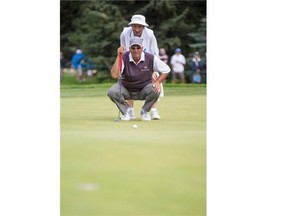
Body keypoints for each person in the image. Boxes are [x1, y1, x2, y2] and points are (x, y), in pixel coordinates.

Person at [107, 37, 170, 121]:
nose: (136, 50)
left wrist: (158, 82)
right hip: (127, 89)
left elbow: (166, 69)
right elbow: (115, 75)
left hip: (143, 90)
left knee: (156, 89)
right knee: (112, 91)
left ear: (142, 48)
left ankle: (144, 111)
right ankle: (126, 112)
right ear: (129, 49)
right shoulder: (124, 57)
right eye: (133, 48)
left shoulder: (150, 58)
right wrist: (119, 56)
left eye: (138, 47)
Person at [120, 14, 162, 120]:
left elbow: (155, 52)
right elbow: (123, 50)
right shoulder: (125, 33)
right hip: (130, 62)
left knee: (154, 84)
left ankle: (153, 110)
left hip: (147, 62)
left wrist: (154, 71)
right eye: (135, 26)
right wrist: (123, 67)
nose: (137, 29)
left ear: (144, 27)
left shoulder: (150, 35)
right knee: (128, 82)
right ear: (131, 26)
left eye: (140, 26)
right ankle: (130, 110)